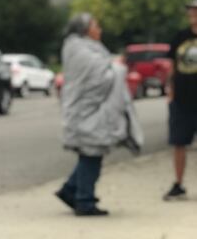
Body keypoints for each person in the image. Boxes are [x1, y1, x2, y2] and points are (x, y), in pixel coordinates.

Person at [54, 13, 143, 216]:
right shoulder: (79, 50)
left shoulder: (81, 48)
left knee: (91, 153)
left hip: (88, 110)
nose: (99, 29)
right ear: (85, 30)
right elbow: (99, 77)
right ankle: (84, 200)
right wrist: (118, 68)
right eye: (96, 25)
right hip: (86, 110)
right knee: (91, 154)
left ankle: (70, 190)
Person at [163, 0, 197, 200]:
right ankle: (178, 183)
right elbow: (171, 66)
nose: (193, 13)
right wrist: (170, 90)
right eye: (191, 10)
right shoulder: (180, 37)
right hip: (182, 100)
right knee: (179, 143)